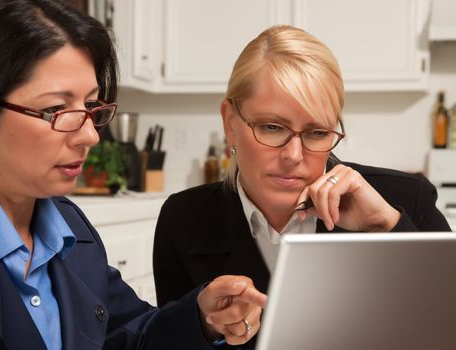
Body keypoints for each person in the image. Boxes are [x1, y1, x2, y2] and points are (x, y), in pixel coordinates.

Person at [0, 1, 267, 349]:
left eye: (90, 107)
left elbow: (126, 335)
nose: (91, 135)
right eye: (55, 109)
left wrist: (199, 317)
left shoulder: (71, 230)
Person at [153, 24, 452, 346]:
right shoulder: (184, 218)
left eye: (317, 133)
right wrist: (205, 325)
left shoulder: (403, 198)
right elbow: (164, 342)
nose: (293, 156)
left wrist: (387, 225)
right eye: (271, 127)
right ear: (229, 123)